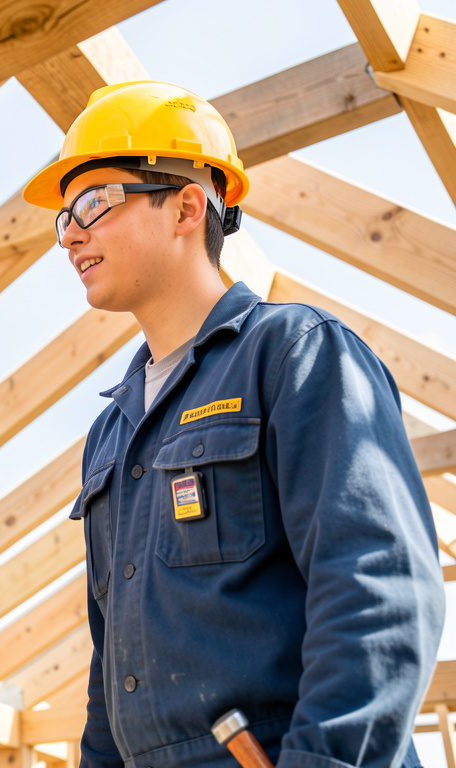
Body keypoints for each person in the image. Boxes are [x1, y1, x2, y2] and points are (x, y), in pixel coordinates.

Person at [22, 80, 445, 768]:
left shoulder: (296, 355)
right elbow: (114, 669)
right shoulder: (112, 432)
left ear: (187, 206)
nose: (70, 232)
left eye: (93, 203)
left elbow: (378, 587)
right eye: (64, 216)